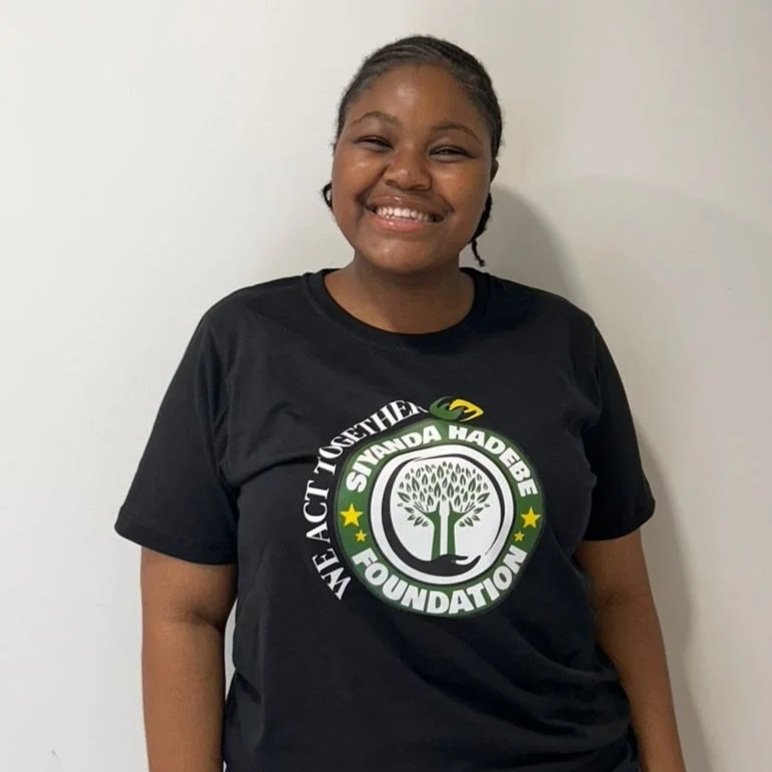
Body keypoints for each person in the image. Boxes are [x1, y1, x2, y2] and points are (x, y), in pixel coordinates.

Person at [115, 34, 687, 772]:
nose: (408, 173)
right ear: (336, 159)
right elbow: (181, 614)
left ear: (488, 180)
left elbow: (619, 599)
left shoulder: (561, 342)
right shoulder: (244, 342)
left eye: (449, 151)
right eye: (375, 140)